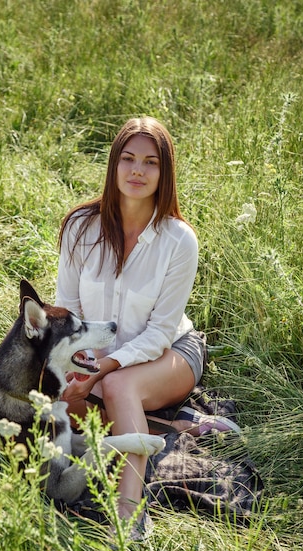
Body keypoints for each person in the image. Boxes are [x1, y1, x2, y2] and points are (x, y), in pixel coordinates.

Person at [55, 116, 206, 528]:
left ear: (165, 171)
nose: (138, 170)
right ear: (114, 165)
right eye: (128, 158)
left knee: (120, 385)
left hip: (169, 352)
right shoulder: (80, 227)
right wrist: (81, 360)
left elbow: (159, 332)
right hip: (96, 354)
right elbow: (67, 308)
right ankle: (173, 423)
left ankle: (130, 515)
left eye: (150, 162)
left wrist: (104, 368)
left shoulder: (179, 241)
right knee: (55, 402)